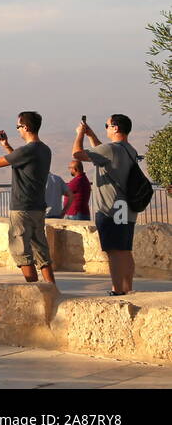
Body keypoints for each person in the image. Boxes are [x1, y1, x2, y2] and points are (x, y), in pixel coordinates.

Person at [73, 115, 140, 295]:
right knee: (125, 249)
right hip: (126, 207)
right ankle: (127, 288)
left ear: (116, 128)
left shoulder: (111, 149)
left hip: (111, 208)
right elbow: (102, 153)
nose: (106, 129)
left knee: (114, 251)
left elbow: (77, 154)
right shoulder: (128, 150)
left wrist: (79, 134)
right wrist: (91, 135)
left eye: (107, 126)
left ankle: (117, 290)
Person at [0, 111, 56, 284]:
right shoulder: (44, 149)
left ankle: (34, 289)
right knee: (41, 250)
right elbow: (19, 161)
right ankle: (51, 288)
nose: (18, 130)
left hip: (21, 208)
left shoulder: (27, 150)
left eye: (18, 127)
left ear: (25, 127)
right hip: (38, 207)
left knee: (21, 251)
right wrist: (6, 145)